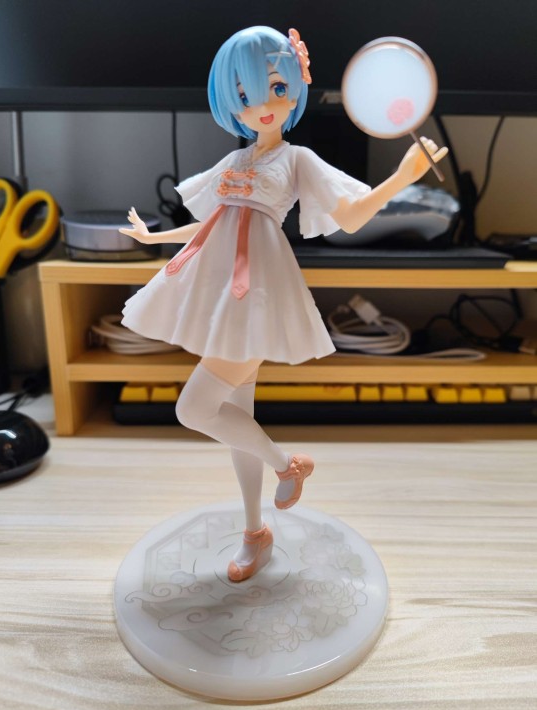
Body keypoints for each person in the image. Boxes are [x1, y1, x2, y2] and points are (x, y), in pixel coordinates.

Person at [119, 26, 447, 583]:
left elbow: (350, 216)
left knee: (193, 409)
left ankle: (287, 465)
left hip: (257, 298)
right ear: (230, 104)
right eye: (244, 95)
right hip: (221, 295)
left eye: (275, 88)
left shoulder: (297, 159)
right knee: (237, 417)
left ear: (295, 88)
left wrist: (399, 179)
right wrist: (154, 239)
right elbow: (213, 222)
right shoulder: (235, 160)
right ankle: (256, 534)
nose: (263, 105)